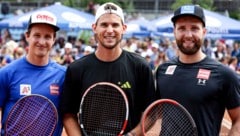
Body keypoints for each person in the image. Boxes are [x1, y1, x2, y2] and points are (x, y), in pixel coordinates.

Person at [60, 2, 156, 136]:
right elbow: (68, 114)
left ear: (123, 28)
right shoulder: (76, 69)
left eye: (115, 25)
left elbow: (150, 114)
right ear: (94, 28)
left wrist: (132, 135)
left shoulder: (140, 67)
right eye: (104, 24)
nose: (110, 30)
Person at [155, 5, 240, 136]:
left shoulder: (224, 74)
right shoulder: (162, 70)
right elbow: (156, 112)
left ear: (204, 32)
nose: (188, 35)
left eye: (194, 28)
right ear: (174, 32)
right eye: (182, 28)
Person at [0, 11, 66, 136]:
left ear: (54, 40)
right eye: (37, 35)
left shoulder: (63, 75)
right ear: (27, 36)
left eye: (47, 36)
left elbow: (69, 117)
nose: (42, 41)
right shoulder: (6, 73)